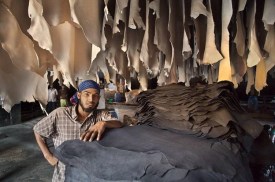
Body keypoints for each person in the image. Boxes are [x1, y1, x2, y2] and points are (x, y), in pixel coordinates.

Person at [33, 80, 123, 182]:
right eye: (87, 94)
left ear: (99, 98)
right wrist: (48, 156)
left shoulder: (101, 116)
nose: (91, 99)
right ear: (79, 95)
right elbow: (38, 130)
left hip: (90, 175)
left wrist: (103, 123)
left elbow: (118, 123)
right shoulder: (60, 114)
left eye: (95, 95)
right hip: (64, 175)